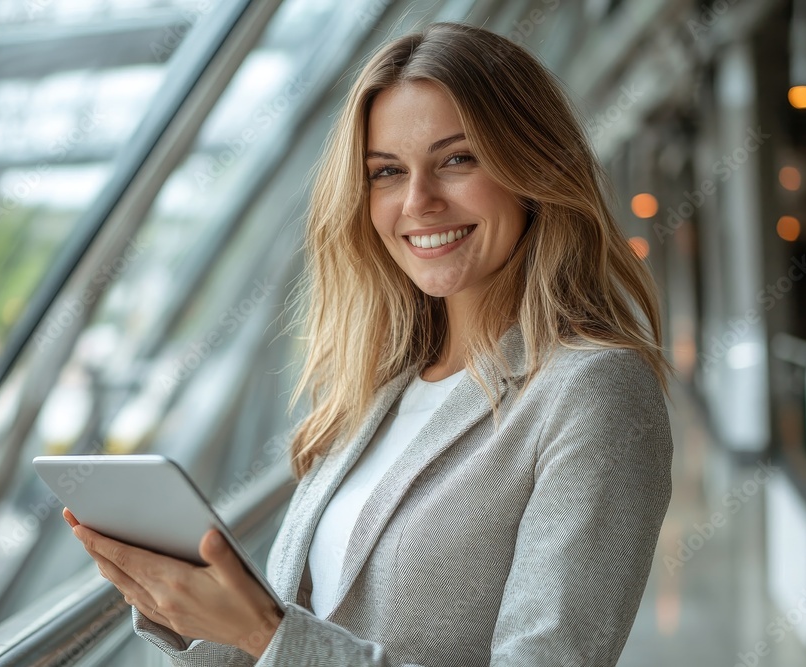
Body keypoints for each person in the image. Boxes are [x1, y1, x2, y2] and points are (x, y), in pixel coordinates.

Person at [66, 21, 675, 666]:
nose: (419, 201)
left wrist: (265, 632)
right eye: (386, 172)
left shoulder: (593, 391)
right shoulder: (379, 392)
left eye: (457, 159)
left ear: (534, 168)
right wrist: (198, 619)